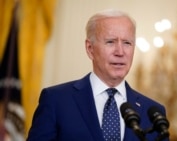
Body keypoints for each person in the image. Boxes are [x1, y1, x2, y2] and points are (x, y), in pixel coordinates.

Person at [27, 9, 169, 141]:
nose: (120, 52)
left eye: (127, 43)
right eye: (110, 42)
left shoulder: (154, 113)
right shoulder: (56, 100)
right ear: (90, 49)